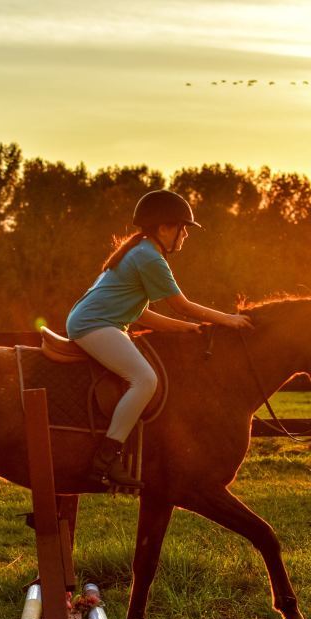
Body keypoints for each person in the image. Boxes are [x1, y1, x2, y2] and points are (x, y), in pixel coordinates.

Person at [66, 189, 253, 489]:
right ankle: (106, 458)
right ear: (165, 227)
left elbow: (141, 315)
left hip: (98, 324)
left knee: (143, 377)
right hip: (95, 326)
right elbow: (182, 305)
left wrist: (187, 329)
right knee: (145, 380)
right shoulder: (149, 258)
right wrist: (227, 319)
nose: (185, 236)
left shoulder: (139, 251)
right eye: (183, 229)